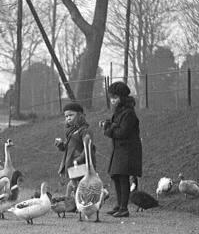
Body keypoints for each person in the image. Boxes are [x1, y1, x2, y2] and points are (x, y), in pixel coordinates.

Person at [99, 81, 142, 218]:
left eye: (115, 97)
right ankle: (119, 205)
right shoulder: (119, 112)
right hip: (119, 150)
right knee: (116, 176)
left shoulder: (129, 113)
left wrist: (108, 128)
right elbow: (116, 127)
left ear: (122, 97)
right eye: (111, 97)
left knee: (123, 177)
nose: (113, 100)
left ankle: (124, 208)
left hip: (128, 150)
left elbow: (122, 132)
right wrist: (109, 125)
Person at [54, 101, 95, 197]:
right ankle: (74, 204)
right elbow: (67, 148)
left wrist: (80, 158)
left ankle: (83, 203)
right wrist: (60, 145)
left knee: (82, 184)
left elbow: (88, 146)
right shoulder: (71, 131)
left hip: (82, 163)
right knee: (74, 184)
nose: (68, 118)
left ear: (80, 115)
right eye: (66, 116)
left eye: (71, 115)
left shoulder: (85, 130)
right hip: (72, 163)